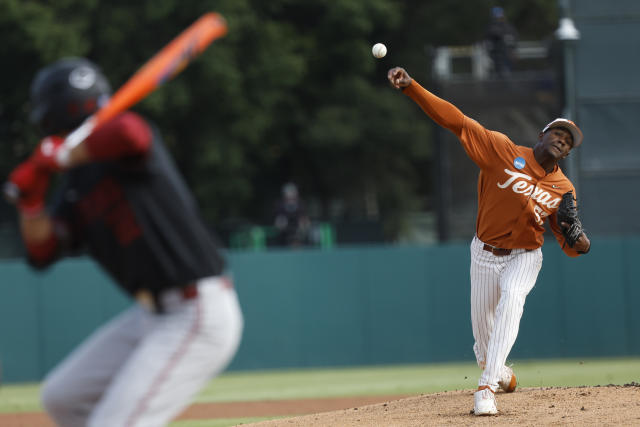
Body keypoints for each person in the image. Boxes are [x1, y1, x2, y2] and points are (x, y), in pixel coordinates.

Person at [4, 57, 243, 426]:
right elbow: (43, 252)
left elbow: (131, 132)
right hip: (151, 317)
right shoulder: (75, 185)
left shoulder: (124, 149)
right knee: (61, 398)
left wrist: (62, 155)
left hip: (196, 311)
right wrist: (31, 204)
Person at [387, 67, 591, 415]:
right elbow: (458, 122)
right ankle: (501, 374)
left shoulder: (563, 190)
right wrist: (412, 88)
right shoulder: (502, 150)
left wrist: (579, 239)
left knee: (513, 297)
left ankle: (485, 389)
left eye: (569, 140)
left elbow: (573, 246)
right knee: (484, 348)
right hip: (484, 254)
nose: (563, 140)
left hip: (525, 255)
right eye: (558, 133)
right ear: (541, 135)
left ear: (568, 153)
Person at [484, 6, 518, 78]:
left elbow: (514, 39)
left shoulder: (508, 27)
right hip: (497, 56)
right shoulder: (491, 27)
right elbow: (492, 36)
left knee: (508, 74)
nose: (499, 18)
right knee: (500, 75)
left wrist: (513, 50)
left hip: (507, 55)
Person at [273, 182, 310, 247]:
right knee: (281, 221)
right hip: (285, 230)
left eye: (292, 194)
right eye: (288, 194)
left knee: (304, 223)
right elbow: (278, 219)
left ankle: (301, 240)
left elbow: (304, 217)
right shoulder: (280, 205)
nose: (290, 196)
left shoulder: (301, 204)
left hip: (298, 228)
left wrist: (303, 224)